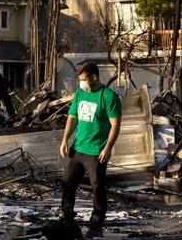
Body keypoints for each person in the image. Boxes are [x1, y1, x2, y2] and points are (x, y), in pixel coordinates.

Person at [58, 61, 122, 238]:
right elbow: (72, 118)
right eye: (80, 80)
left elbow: (115, 125)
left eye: (84, 80)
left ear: (94, 77)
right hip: (78, 148)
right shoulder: (80, 93)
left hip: (96, 151)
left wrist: (108, 147)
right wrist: (65, 139)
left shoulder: (108, 96)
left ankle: (96, 224)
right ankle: (67, 217)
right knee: (68, 183)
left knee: (98, 187)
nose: (82, 83)